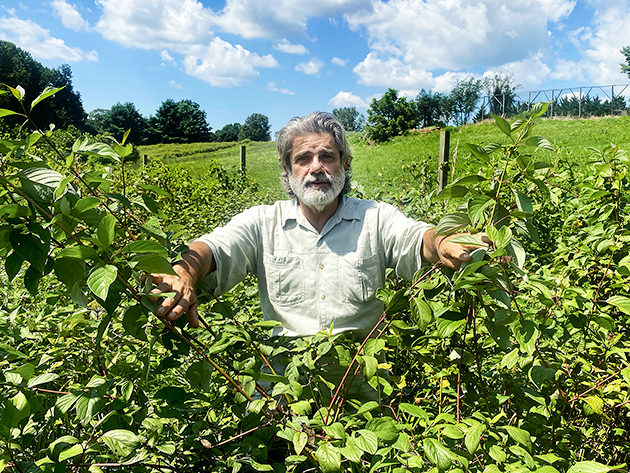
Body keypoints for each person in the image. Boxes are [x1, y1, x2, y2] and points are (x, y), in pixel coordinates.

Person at [150, 111, 486, 339]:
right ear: (287, 171)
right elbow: (213, 248)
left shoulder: (375, 218)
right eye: (303, 159)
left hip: (361, 389)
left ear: (344, 164)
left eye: (327, 156)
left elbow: (416, 238)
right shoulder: (263, 222)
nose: (316, 168)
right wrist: (185, 274)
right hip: (284, 397)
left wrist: (443, 242)